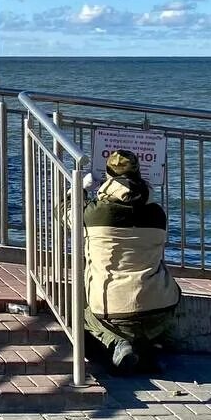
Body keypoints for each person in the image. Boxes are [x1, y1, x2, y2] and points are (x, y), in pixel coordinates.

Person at [84, 149, 181, 373]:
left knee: (83, 307)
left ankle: (116, 343)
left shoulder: (94, 213)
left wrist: (78, 190)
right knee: (168, 288)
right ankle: (152, 346)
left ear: (107, 175)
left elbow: (65, 213)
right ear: (138, 174)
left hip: (111, 312)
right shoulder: (157, 213)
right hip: (160, 308)